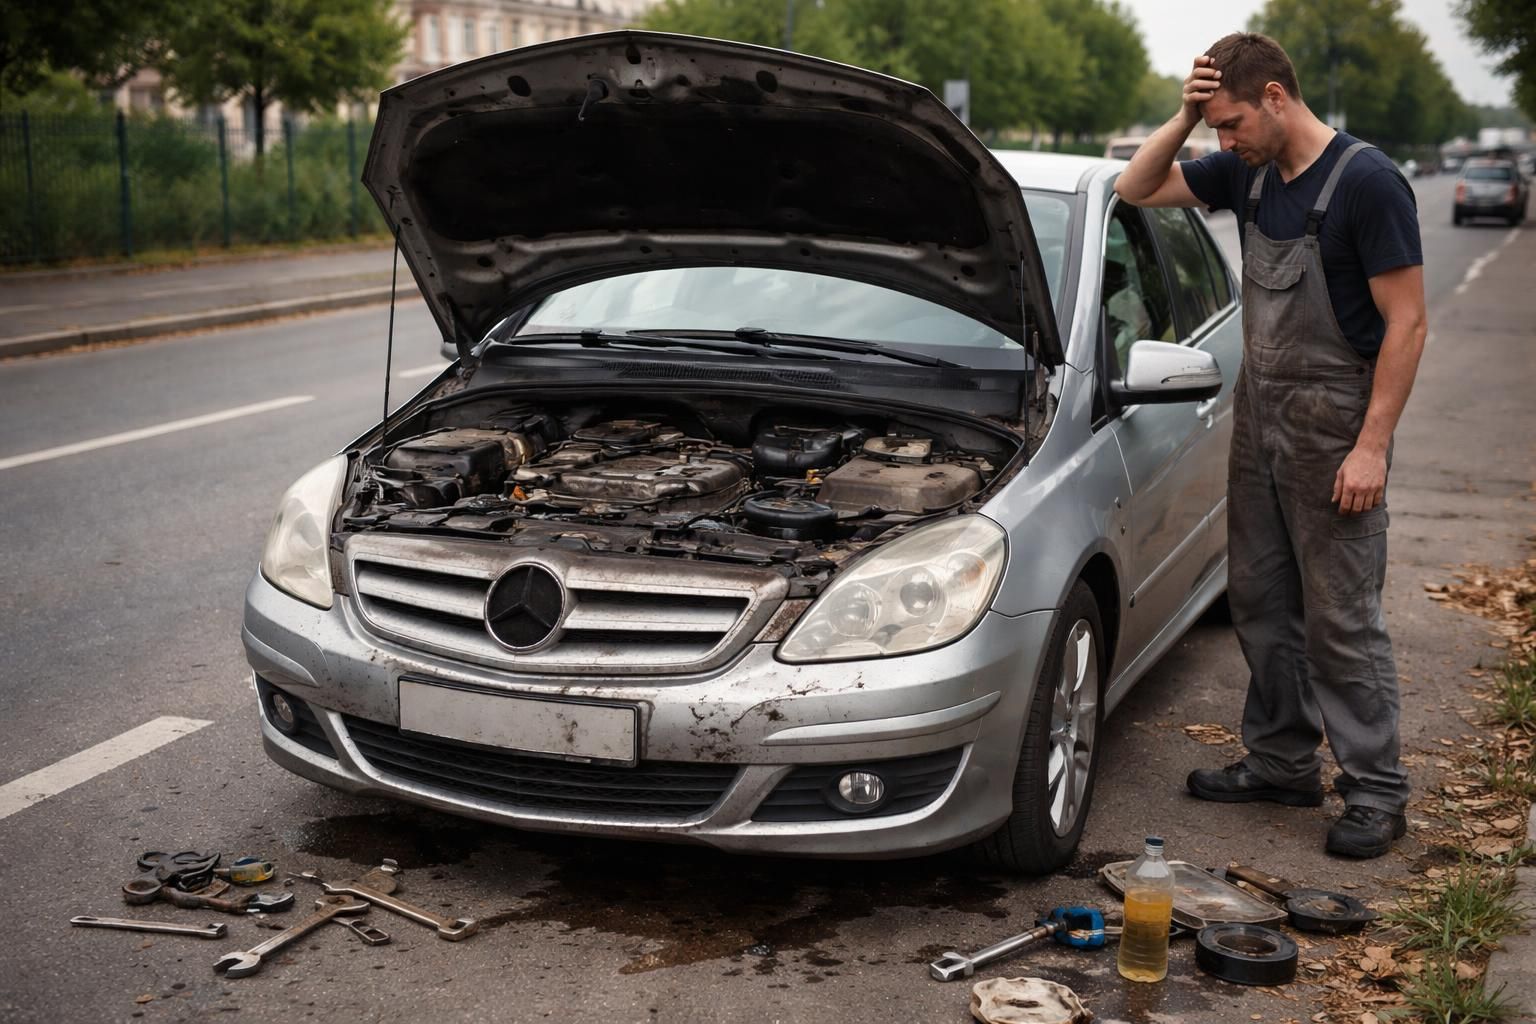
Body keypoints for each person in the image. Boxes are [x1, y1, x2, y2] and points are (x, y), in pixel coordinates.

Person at [1114, 32, 1427, 859]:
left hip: (1336, 425)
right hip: (1261, 415)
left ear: (1279, 98)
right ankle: (1283, 760)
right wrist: (1185, 113)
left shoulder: (1368, 182)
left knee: (1341, 621)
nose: (1226, 141)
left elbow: (1408, 322)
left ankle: (1375, 791)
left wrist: (1373, 448)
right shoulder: (1247, 171)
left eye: (1232, 122)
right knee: (1257, 597)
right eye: (1214, 127)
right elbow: (1135, 185)